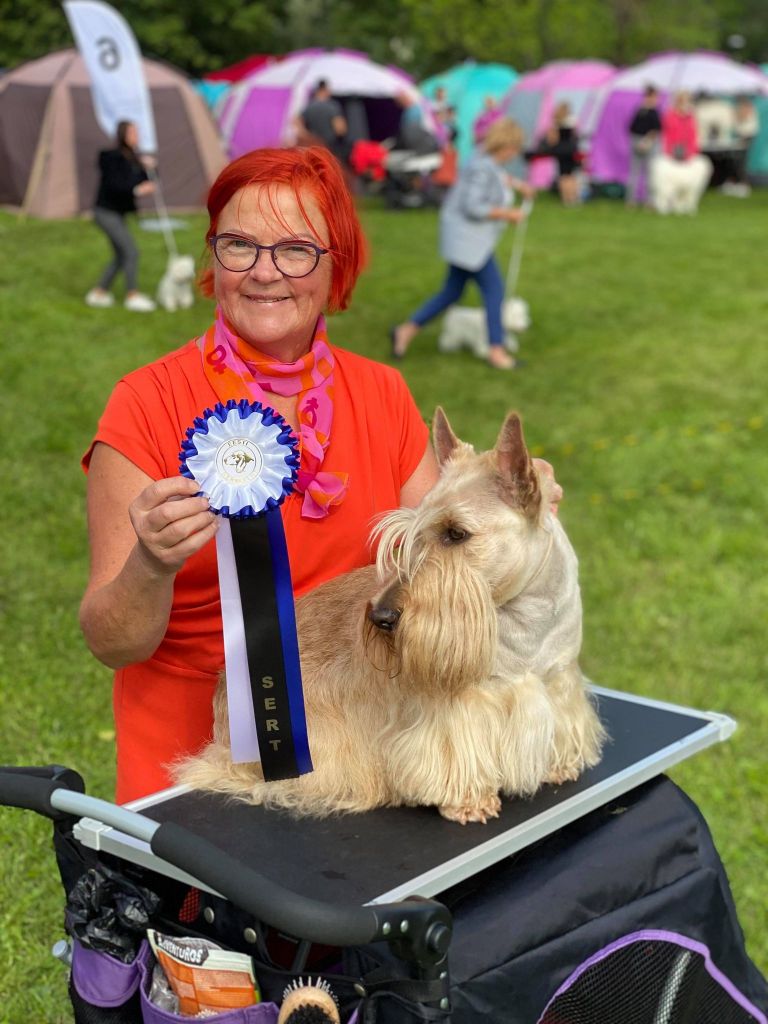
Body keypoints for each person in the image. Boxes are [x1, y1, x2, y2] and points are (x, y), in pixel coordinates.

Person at [79, 146, 561, 803]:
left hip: (364, 732)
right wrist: (150, 563)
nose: (264, 272)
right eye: (239, 245)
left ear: (337, 262)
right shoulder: (146, 402)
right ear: (212, 256)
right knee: (194, 910)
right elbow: (113, 644)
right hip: (195, 751)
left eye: (296, 249)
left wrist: (514, 510)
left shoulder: (383, 393)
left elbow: (451, 576)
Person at [390, 117, 533, 371]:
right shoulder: (483, 166)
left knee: (452, 292)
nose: (516, 153)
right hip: (469, 243)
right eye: (515, 148)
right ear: (507, 146)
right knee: (494, 292)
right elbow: (473, 206)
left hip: (465, 242)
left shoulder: (484, 160)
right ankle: (496, 350)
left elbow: (498, 178)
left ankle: (406, 330)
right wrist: (508, 214)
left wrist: (519, 185)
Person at [85, 120, 158, 312]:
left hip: (118, 214)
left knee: (121, 254)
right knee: (131, 252)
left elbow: (148, 178)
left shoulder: (134, 158)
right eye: (132, 132)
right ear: (123, 135)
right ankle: (132, 295)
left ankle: (99, 293)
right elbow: (115, 184)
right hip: (105, 212)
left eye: (137, 132)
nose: (136, 136)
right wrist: (137, 190)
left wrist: (151, 167)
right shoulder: (111, 157)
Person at [297, 79, 350, 164]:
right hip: (329, 146)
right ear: (325, 90)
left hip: (313, 145)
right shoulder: (333, 106)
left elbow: (297, 121)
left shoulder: (309, 106)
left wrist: (306, 134)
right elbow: (340, 129)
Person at [626, 85, 662, 206]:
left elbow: (657, 129)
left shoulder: (652, 111)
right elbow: (633, 127)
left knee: (648, 173)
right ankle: (632, 199)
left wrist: (646, 140)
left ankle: (648, 200)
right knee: (636, 172)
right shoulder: (643, 110)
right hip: (639, 141)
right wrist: (642, 141)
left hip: (646, 142)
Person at [543, 101, 580, 206]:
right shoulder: (572, 121)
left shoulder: (556, 122)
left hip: (560, 150)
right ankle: (573, 197)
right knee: (571, 175)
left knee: (563, 176)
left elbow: (552, 139)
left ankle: (566, 198)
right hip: (571, 149)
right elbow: (575, 136)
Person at [661, 91, 699, 162]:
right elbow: (666, 137)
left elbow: (693, 136)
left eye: (689, 102)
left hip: (689, 156)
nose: (687, 105)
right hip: (672, 154)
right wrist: (669, 152)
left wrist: (692, 152)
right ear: (678, 102)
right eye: (684, 102)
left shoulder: (691, 117)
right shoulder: (669, 116)